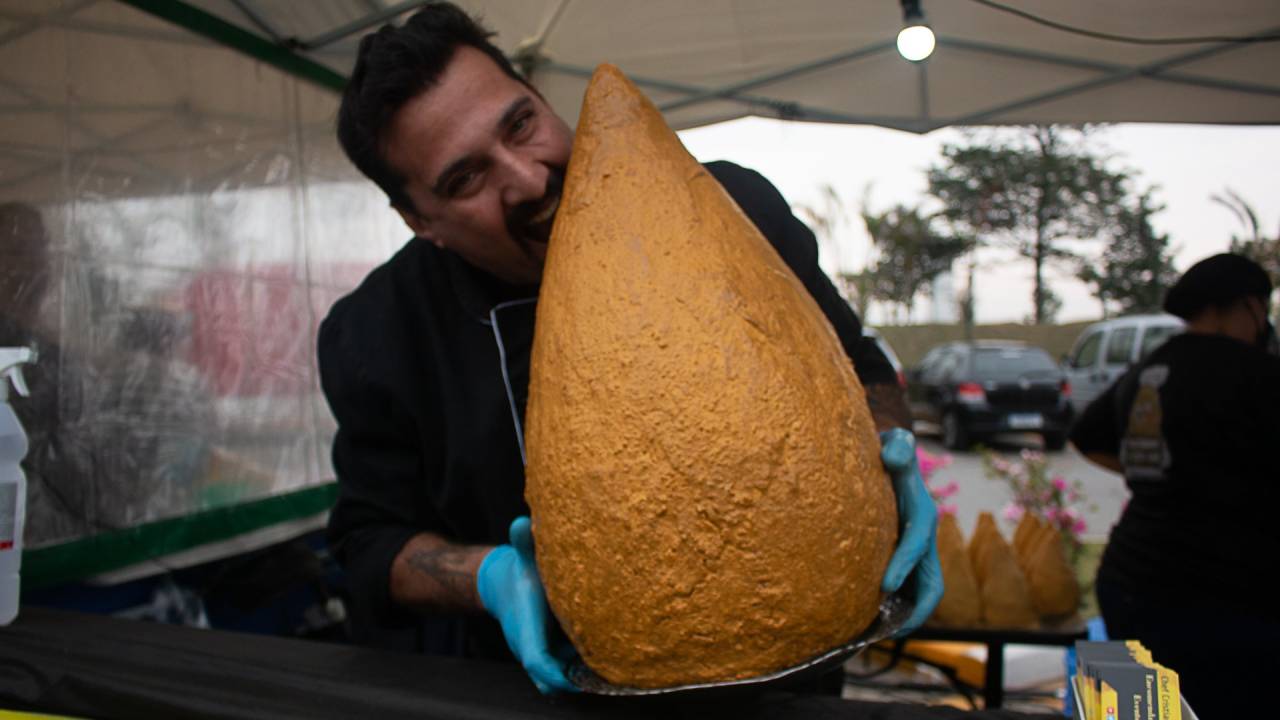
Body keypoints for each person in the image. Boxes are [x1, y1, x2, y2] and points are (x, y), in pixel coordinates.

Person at [320, 2, 941, 694]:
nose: (527, 179)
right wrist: (490, 576)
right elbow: (369, 544)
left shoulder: (732, 208)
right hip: (544, 690)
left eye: (520, 123)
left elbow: (860, 366)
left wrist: (888, 452)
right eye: (465, 179)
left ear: (540, 97)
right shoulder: (378, 331)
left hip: (795, 676)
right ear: (418, 220)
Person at [1070, 253, 1279, 718]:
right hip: (1231, 601)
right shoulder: (1259, 376)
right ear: (1248, 306)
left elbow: (1085, 436)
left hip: (1127, 585)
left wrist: (1154, 475)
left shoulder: (1150, 367)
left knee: (1132, 713)